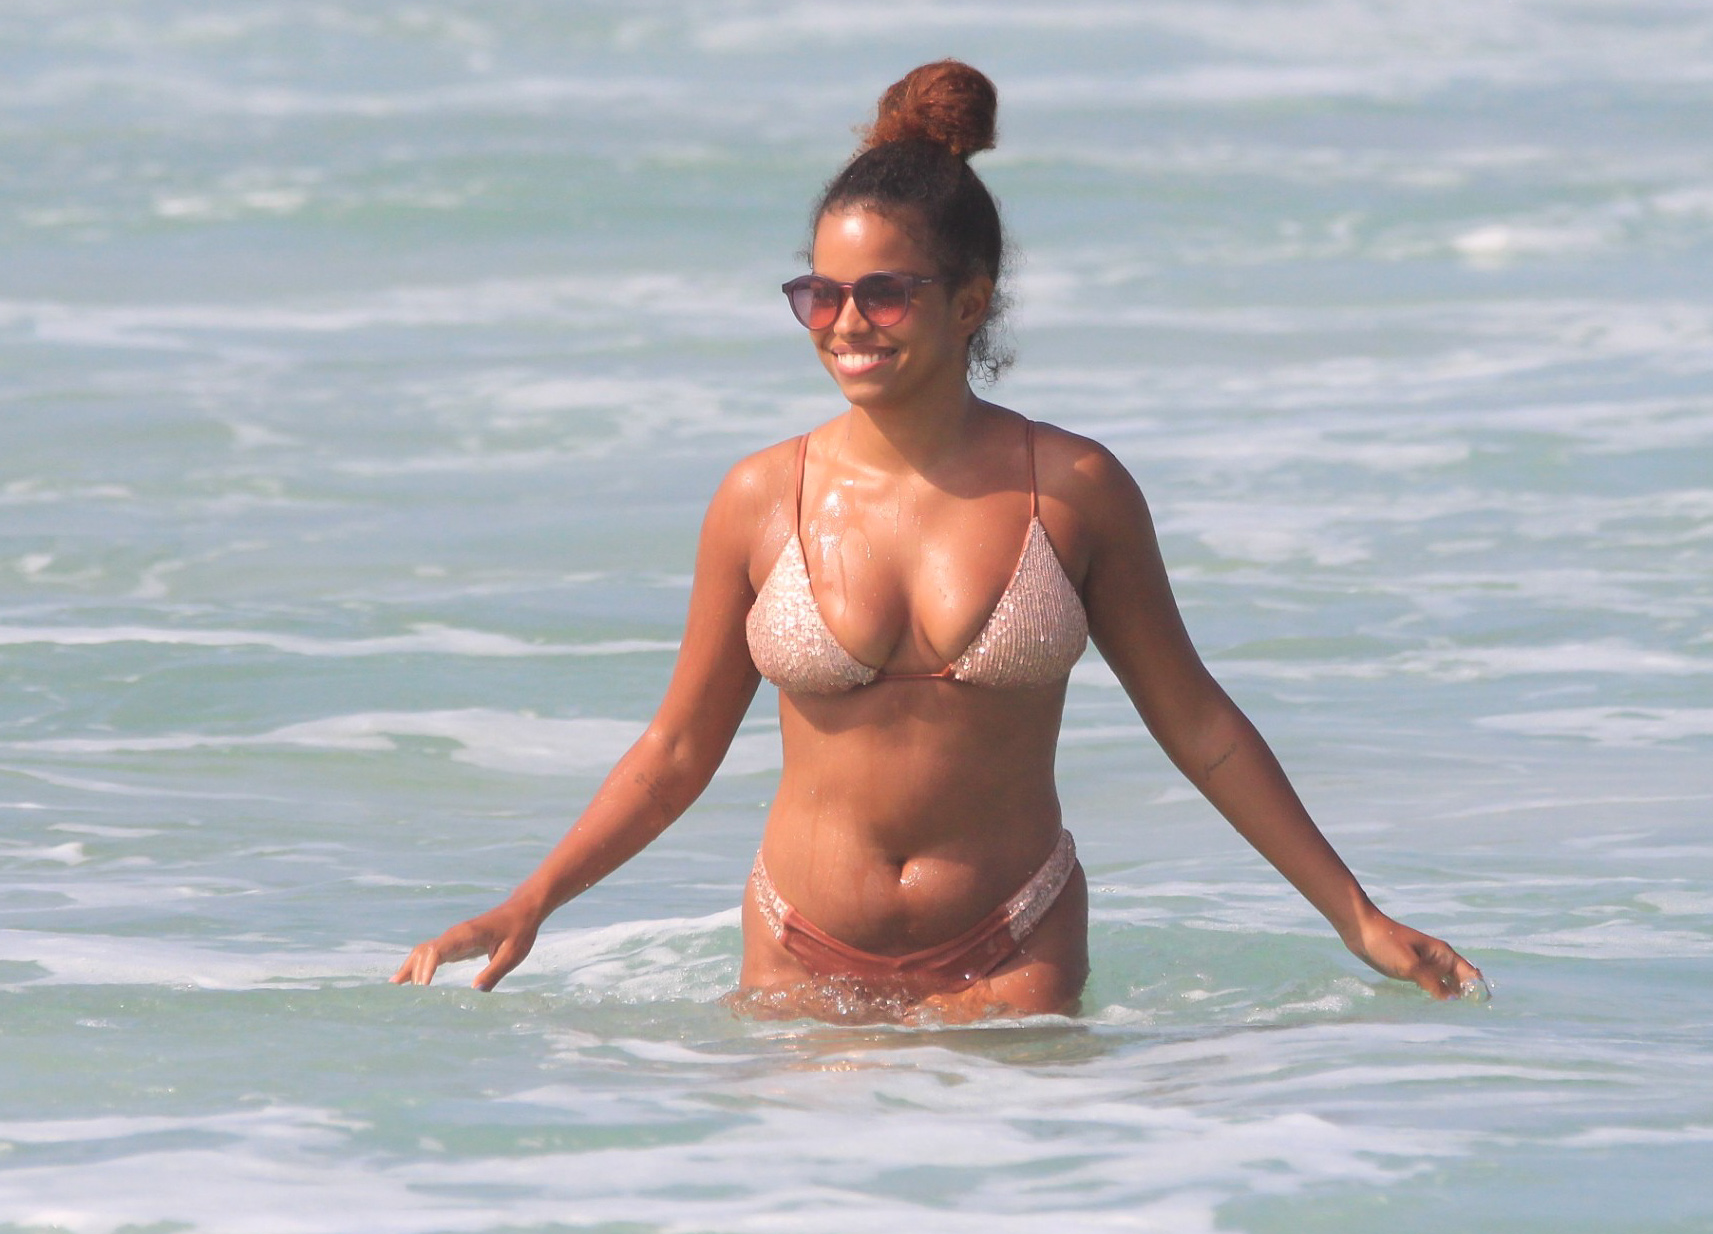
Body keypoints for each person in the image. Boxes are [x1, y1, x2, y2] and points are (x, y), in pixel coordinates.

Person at [393, 60, 1484, 1022]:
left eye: (884, 295)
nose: (846, 324)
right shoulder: (760, 497)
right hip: (798, 949)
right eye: (819, 294)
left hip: (1012, 947)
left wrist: (1357, 914)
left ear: (972, 301)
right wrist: (531, 899)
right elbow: (678, 750)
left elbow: (1198, 723)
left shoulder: (1074, 489)